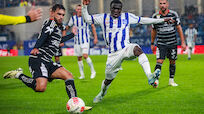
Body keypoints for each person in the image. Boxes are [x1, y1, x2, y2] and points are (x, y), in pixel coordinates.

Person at [82, 0, 174, 103]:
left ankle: (149, 76)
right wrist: (84, 6)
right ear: (110, 8)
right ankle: (102, 93)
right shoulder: (103, 18)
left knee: (138, 50)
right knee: (108, 80)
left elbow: (143, 20)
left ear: (121, 10)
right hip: (113, 54)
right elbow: (87, 19)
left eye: (118, 9)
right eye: (114, 8)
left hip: (126, 48)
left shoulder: (127, 17)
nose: (116, 11)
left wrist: (163, 20)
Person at [3, 4, 78, 101]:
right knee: (40, 88)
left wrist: (72, 34)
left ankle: (75, 102)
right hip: (38, 59)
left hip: (47, 60)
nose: (61, 17)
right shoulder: (51, 23)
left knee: (68, 76)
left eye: (63, 15)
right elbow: (44, 35)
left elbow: (58, 41)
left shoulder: (58, 27)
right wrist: (36, 47)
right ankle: (18, 74)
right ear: (52, 13)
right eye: (59, 14)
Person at [151, 0, 186, 87]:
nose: (162, 5)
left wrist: (183, 42)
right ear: (159, 5)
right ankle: (156, 81)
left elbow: (179, 28)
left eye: (164, 3)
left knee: (172, 62)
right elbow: (153, 30)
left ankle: (171, 80)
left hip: (172, 43)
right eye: (161, 3)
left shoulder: (174, 15)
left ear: (167, 4)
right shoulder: (155, 16)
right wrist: (152, 43)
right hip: (161, 44)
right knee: (159, 61)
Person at [65, 4, 98, 79]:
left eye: (80, 9)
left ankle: (93, 71)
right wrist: (62, 31)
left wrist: (95, 37)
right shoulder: (73, 19)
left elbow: (93, 27)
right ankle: (82, 75)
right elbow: (67, 27)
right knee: (79, 58)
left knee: (85, 55)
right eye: (78, 9)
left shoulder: (86, 18)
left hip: (85, 40)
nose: (79, 11)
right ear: (76, 10)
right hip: (77, 41)